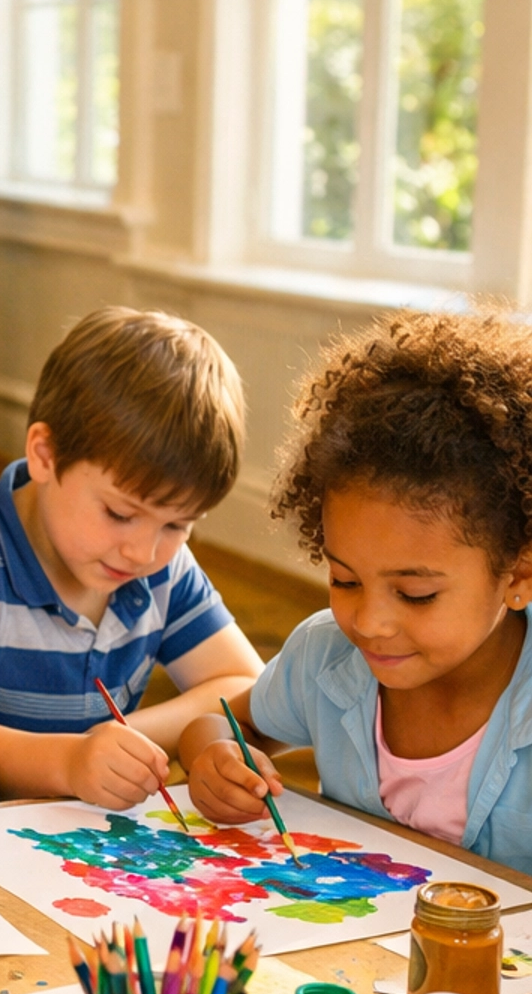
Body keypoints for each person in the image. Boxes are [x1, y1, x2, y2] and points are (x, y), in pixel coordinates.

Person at [180, 312, 532, 866]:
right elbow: (224, 722)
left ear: (518, 576)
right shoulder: (326, 657)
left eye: (415, 594)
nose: (368, 622)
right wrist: (216, 756)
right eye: (344, 579)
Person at [0, 307, 263, 805]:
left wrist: (120, 736)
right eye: (120, 514)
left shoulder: (159, 566)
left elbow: (246, 687)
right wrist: (72, 760)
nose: (142, 550)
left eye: (176, 524)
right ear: (44, 454)